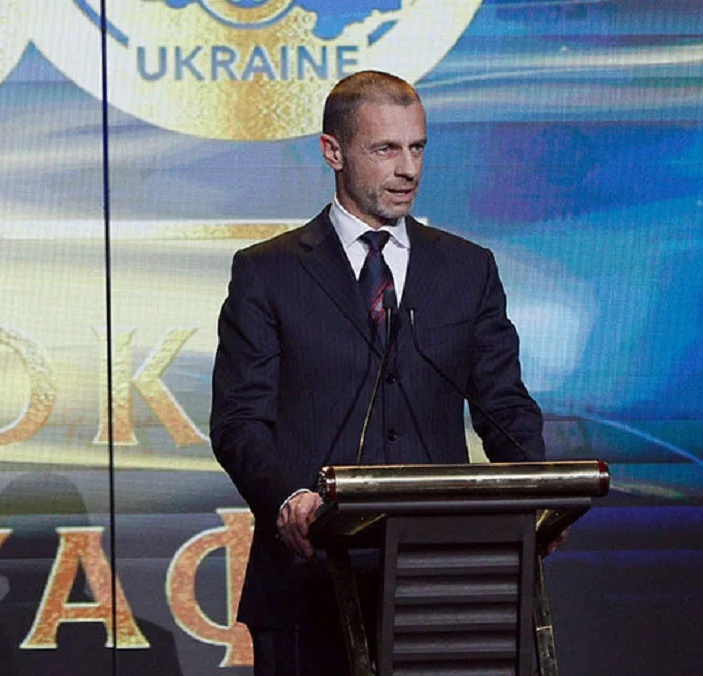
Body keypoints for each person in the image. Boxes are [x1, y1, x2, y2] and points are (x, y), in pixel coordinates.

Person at [210, 70, 549, 675]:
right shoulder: (269, 272)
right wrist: (288, 498)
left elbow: (504, 407)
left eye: (417, 148)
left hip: (444, 584)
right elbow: (240, 422)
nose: (408, 169)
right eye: (386, 149)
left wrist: (540, 496)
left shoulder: (467, 269)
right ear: (333, 151)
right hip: (311, 578)